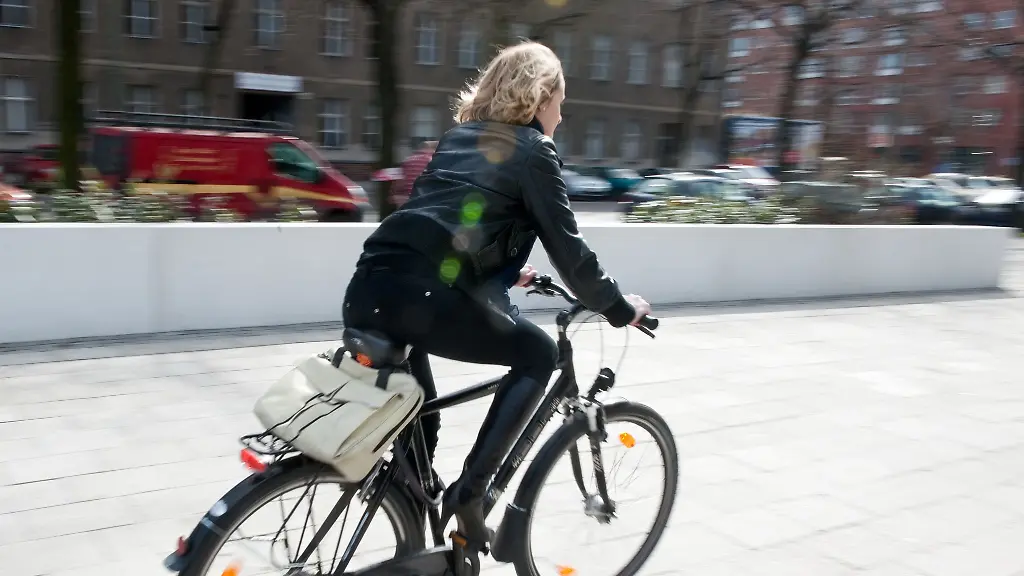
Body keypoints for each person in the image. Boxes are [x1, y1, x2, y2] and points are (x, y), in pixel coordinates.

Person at [341, 41, 651, 549]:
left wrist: (507, 274)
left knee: (421, 419)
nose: (562, 112)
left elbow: (453, 225)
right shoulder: (534, 151)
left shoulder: (458, 137)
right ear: (539, 97)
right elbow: (571, 255)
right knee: (538, 353)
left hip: (370, 284)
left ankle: (414, 537)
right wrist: (619, 308)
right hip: (424, 297)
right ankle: (470, 494)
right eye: (560, 99)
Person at [392, 140, 438, 208]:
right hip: (423, 196)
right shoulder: (432, 160)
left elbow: (400, 180)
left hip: (405, 197)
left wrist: (396, 193)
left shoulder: (408, 160)